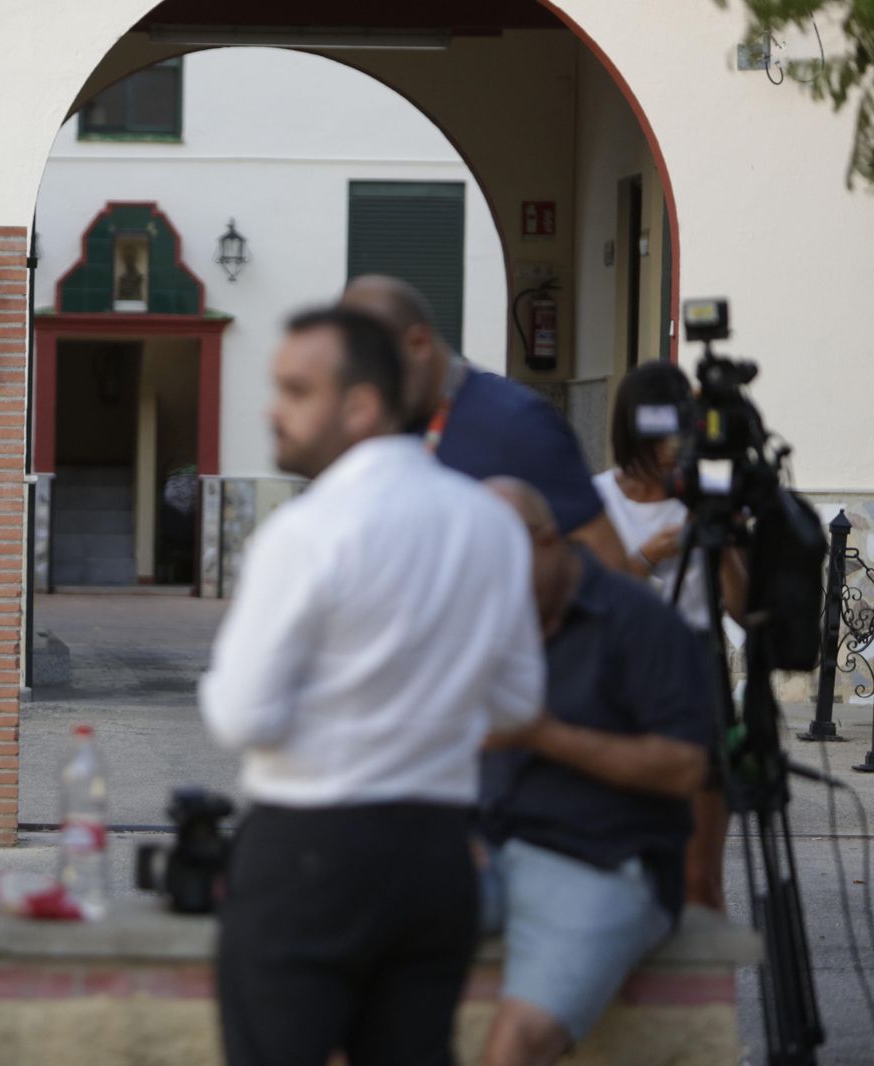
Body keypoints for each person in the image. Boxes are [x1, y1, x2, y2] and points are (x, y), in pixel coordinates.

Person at [199, 306, 545, 1066]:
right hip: (436, 855)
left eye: (295, 390)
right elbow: (520, 701)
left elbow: (240, 714)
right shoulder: (487, 523)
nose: (272, 409)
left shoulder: (307, 531)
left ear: (359, 406)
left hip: (308, 850)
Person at [478, 478, 714, 1066]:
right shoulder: (484, 616)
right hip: (484, 849)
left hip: (604, 860)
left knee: (514, 1046)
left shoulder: (639, 622)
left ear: (549, 540)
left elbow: (686, 768)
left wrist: (543, 736)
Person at [338, 275, 629, 571]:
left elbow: (611, 569)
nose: (369, 391)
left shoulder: (517, 423)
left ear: (418, 344)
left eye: (376, 371)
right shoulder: (382, 423)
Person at [593, 362, 745, 910]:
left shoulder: (708, 496)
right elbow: (589, 596)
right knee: (614, 867)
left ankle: (708, 997)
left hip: (695, 669)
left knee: (699, 880)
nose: (671, 443)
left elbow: (746, 609)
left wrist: (723, 542)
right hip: (615, 675)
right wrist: (655, 552)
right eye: (659, 428)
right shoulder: (596, 499)